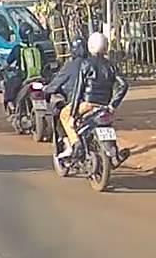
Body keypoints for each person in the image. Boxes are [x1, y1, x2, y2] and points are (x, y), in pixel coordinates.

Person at [52, 32, 129, 161]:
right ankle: (114, 153)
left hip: (87, 104)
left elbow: (78, 90)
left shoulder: (86, 64)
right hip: (105, 106)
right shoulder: (111, 65)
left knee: (64, 115)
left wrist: (73, 114)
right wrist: (113, 105)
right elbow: (124, 85)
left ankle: (75, 143)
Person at [2, 31, 45, 113]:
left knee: (9, 84)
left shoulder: (17, 48)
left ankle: (11, 104)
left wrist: (3, 67)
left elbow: (7, 63)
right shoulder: (38, 47)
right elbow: (45, 62)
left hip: (23, 77)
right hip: (39, 77)